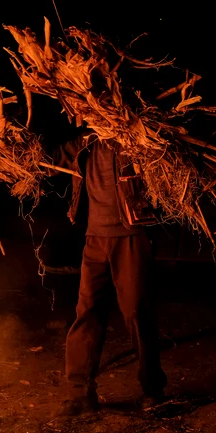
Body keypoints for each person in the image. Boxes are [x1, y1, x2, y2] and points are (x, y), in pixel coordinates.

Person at [49, 129, 167, 416]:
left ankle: (153, 391)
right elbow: (49, 159)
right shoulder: (85, 142)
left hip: (131, 235)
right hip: (95, 237)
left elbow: (161, 167)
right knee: (86, 312)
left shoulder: (133, 137)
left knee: (137, 313)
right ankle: (81, 394)